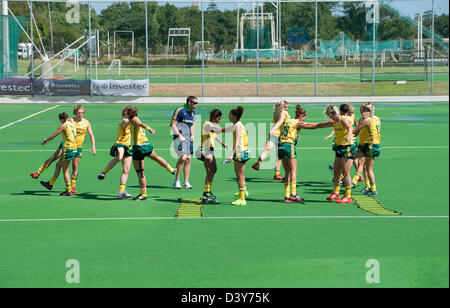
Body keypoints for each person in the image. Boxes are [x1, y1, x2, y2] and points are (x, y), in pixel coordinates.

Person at [127, 106, 177, 201]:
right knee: (156, 158)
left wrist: (149, 128)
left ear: (130, 113)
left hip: (139, 148)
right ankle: (171, 169)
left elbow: (141, 124)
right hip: (147, 145)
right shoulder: (134, 119)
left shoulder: (134, 120)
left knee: (140, 173)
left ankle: (143, 194)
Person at [312, 104, 356, 204]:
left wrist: (349, 136)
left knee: (346, 173)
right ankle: (336, 193)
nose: (329, 117)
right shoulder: (334, 121)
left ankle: (348, 196)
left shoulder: (342, 119)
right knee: (336, 171)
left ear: (333, 113)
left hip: (347, 147)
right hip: (339, 147)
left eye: (329, 115)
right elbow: (320, 125)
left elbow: (349, 128)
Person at [97, 106, 134, 198]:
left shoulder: (133, 122)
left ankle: (121, 191)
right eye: (128, 111)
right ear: (125, 113)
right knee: (119, 156)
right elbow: (125, 124)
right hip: (120, 143)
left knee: (126, 170)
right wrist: (132, 119)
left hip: (128, 146)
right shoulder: (125, 121)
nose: (129, 113)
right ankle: (104, 172)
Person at [39, 112, 78, 196]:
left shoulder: (63, 125)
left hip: (68, 149)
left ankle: (69, 190)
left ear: (61, 119)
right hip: (75, 148)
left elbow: (53, 136)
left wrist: (45, 140)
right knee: (58, 164)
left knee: (65, 171)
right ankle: (50, 184)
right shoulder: (72, 124)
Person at [196, 109, 228, 204]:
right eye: (219, 118)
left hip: (207, 151)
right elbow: (216, 130)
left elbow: (214, 134)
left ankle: (207, 192)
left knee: (211, 171)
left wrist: (222, 143)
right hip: (205, 151)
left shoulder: (210, 125)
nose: (220, 120)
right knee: (212, 170)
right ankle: (207, 192)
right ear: (215, 117)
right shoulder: (208, 124)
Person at [252, 100, 289, 180]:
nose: (287, 108)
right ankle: (277, 173)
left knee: (267, 150)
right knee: (279, 156)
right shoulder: (284, 113)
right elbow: (280, 123)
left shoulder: (276, 113)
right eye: (286, 107)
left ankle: (258, 163)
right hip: (280, 136)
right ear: (282, 107)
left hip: (273, 134)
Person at [353, 103, 381, 195]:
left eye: (363, 110)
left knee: (368, 168)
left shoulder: (366, 120)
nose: (361, 112)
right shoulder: (377, 118)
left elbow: (355, 131)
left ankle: (372, 189)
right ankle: (368, 186)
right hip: (368, 144)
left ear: (367, 111)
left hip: (370, 145)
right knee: (351, 158)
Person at [171, 96, 198, 189]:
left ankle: (186, 182)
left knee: (188, 159)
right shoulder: (180, 110)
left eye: (197, 103)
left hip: (188, 140)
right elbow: (173, 125)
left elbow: (192, 125)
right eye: (194, 103)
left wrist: (192, 135)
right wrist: (179, 135)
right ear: (189, 102)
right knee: (183, 157)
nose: (196, 105)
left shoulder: (193, 113)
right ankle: (176, 180)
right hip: (179, 139)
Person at [226, 106, 250, 206]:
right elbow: (227, 129)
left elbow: (237, 141)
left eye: (230, 115)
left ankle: (242, 199)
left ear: (234, 116)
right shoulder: (236, 124)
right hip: (243, 151)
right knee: (241, 175)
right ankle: (243, 191)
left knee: (239, 176)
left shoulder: (238, 126)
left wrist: (231, 154)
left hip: (240, 152)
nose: (229, 116)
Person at [70, 105, 96, 194]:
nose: (80, 114)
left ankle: (72, 186)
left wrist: (93, 147)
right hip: (69, 146)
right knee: (61, 165)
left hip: (78, 147)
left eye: (81, 113)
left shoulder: (86, 122)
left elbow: (91, 134)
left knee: (75, 167)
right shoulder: (71, 120)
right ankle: (52, 182)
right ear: (75, 113)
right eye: (78, 113)